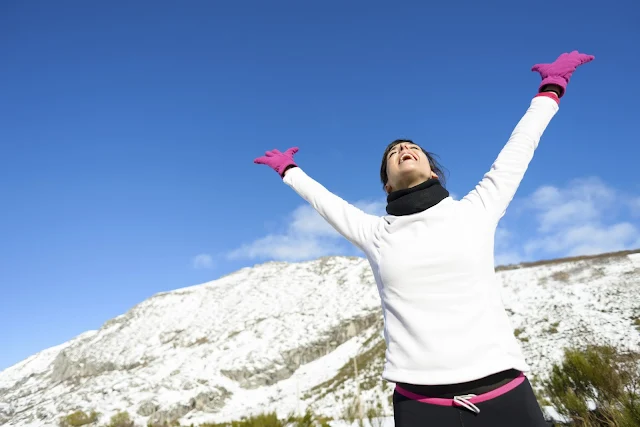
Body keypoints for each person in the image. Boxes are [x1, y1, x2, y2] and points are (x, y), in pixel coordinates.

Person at [254, 51, 594, 426]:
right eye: (393, 152)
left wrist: (551, 87)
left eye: (411, 147)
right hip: (421, 407)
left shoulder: (474, 210)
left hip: (505, 396)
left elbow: (519, 148)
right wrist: (288, 170)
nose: (403, 149)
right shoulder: (376, 233)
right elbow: (325, 203)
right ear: (386, 182)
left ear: (433, 172)